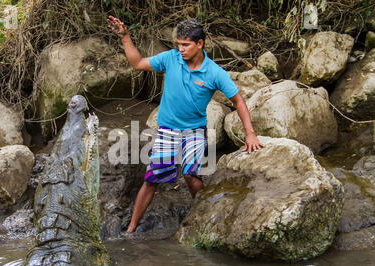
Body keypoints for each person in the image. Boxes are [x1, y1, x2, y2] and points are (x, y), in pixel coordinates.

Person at [108, 16, 265, 233]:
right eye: (179, 44)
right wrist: (125, 37)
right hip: (167, 131)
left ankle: (204, 216)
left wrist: (250, 134)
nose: (181, 49)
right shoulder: (171, 59)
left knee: (190, 175)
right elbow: (137, 63)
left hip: (194, 131)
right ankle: (131, 229)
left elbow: (238, 100)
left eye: (186, 45)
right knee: (152, 178)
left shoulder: (214, 72)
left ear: (199, 44)